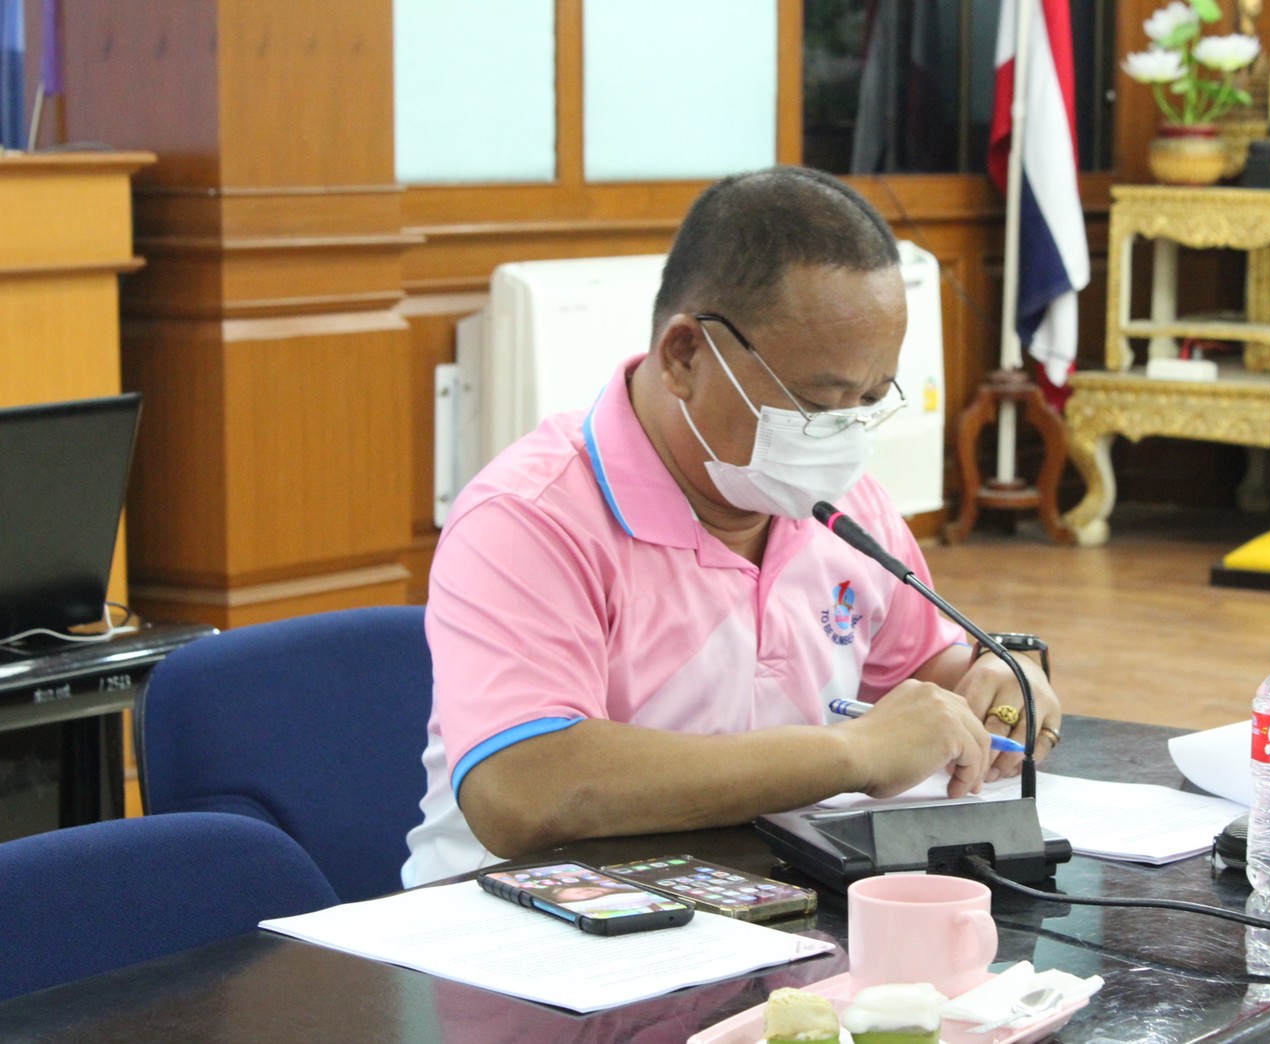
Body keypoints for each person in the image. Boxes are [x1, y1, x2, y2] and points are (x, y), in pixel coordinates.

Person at [402, 166, 1061, 887]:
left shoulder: (846, 508)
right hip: (523, 942)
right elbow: (522, 789)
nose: (841, 436)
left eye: (869, 401)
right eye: (818, 402)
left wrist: (1003, 680)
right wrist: (852, 754)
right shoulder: (530, 517)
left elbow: (928, 687)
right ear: (685, 356)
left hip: (756, 908)